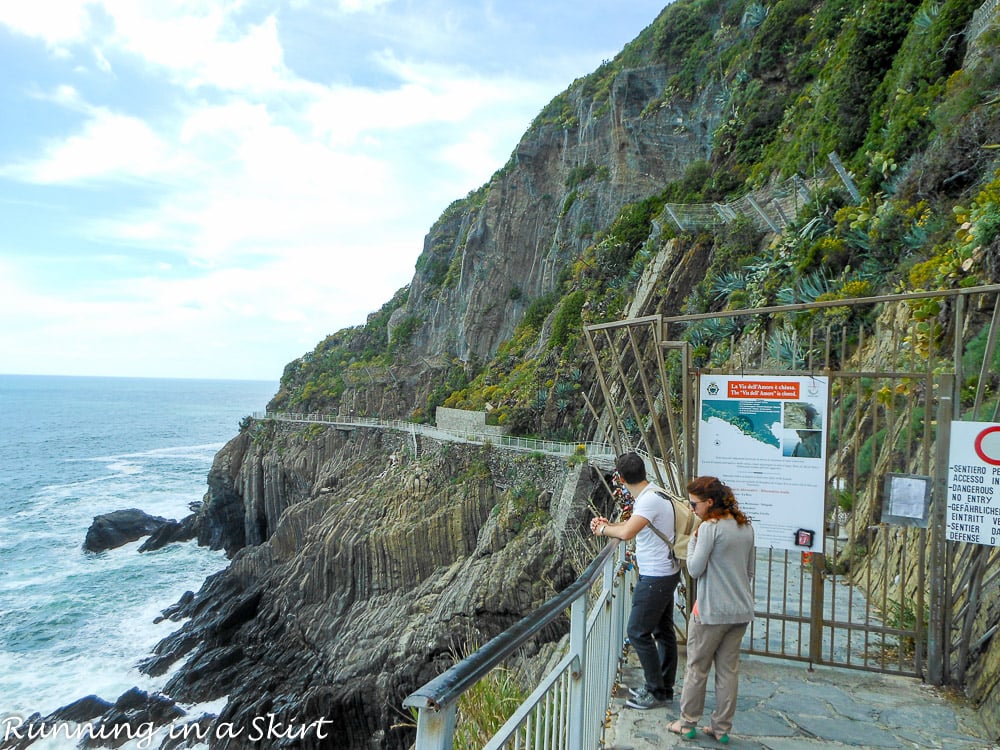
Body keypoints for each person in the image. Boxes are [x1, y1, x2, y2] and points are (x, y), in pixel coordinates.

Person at [590, 451, 681, 710]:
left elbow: (629, 532)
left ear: (620, 478)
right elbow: (633, 525)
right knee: (663, 631)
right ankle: (664, 688)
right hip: (665, 573)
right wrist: (609, 526)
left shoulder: (648, 501)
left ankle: (654, 690)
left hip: (655, 576)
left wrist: (602, 530)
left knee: (637, 632)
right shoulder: (653, 494)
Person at [668, 476, 755, 743]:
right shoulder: (746, 527)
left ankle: (687, 723)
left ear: (709, 502)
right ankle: (722, 728)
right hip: (740, 611)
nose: (692, 509)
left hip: (710, 612)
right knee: (728, 671)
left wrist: (694, 540)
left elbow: (694, 569)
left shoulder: (709, 529)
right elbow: (749, 571)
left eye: (694, 505)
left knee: (697, 668)